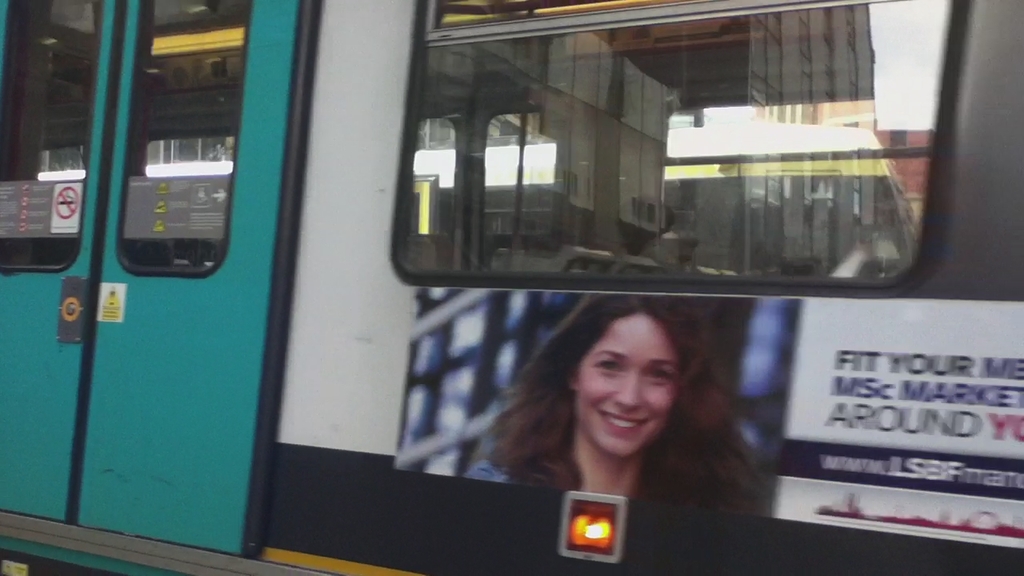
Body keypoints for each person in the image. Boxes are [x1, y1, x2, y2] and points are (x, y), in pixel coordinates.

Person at [465, 294, 756, 512]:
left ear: (682, 391)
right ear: (572, 372)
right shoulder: (495, 493)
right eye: (610, 366)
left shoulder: (707, 519)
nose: (630, 398)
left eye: (659, 374)